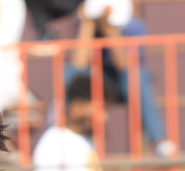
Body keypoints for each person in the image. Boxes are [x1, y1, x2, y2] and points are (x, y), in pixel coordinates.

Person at [67, 0, 173, 157]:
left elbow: (125, 65)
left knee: (136, 76)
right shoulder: (84, 24)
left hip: (124, 84)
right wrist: (87, 27)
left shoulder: (134, 27)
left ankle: (159, 141)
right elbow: (78, 64)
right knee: (68, 73)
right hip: (94, 84)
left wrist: (110, 31)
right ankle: (58, 129)